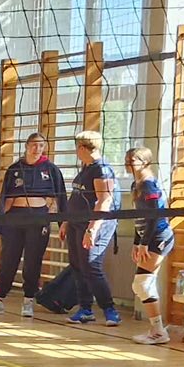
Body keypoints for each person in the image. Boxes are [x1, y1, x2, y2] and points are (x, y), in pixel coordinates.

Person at [0, 133, 66, 317]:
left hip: (38, 219)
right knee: (8, 260)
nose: (37, 149)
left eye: (41, 145)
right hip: (14, 219)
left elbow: (61, 197)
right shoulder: (15, 169)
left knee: (33, 261)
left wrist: (63, 222)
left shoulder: (51, 169)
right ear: (26, 146)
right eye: (34, 145)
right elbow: (4, 199)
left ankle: (28, 300)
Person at [60, 131, 120, 325]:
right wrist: (66, 221)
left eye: (77, 147)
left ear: (82, 148)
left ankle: (110, 310)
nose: (76, 151)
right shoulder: (85, 168)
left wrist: (92, 229)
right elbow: (76, 197)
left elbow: (104, 201)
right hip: (76, 222)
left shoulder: (102, 170)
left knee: (91, 266)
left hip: (96, 224)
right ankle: (85, 309)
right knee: (78, 265)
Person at [126, 147, 174, 345]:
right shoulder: (136, 184)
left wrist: (144, 243)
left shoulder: (148, 185)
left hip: (159, 236)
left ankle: (158, 331)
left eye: (132, 160)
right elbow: (139, 218)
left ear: (145, 162)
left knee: (142, 284)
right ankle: (157, 329)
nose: (128, 164)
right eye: (127, 160)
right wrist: (136, 242)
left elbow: (154, 217)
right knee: (143, 284)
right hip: (149, 237)